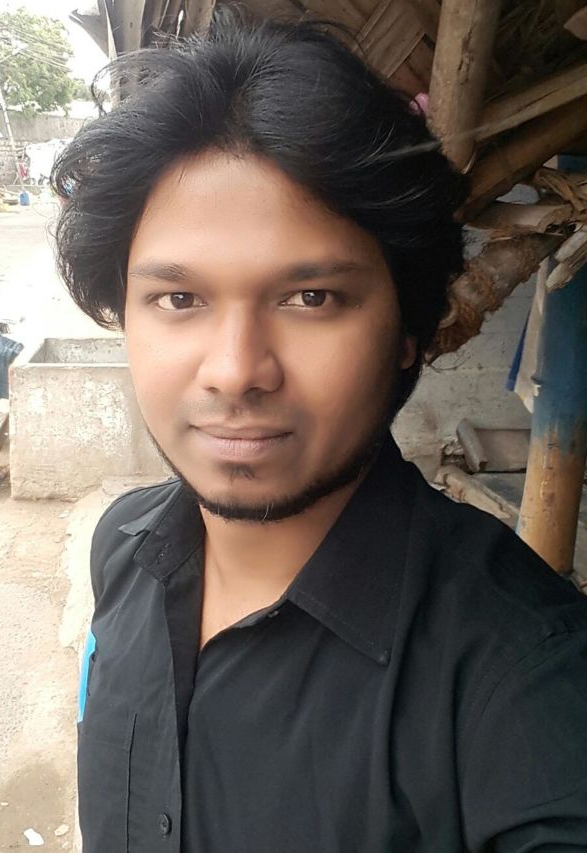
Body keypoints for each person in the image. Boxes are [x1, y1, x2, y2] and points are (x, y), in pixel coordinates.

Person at [52, 10, 587, 853]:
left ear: (408, 328)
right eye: (179, 299)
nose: (236, 370)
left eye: (312, 298)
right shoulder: (122, 550)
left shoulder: (524, 678)